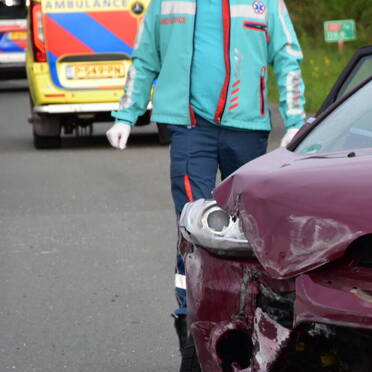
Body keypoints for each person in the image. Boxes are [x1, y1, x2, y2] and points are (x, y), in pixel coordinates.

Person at [106, 0, 306, 349]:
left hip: (245, 127)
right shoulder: (166, 3)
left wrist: (296, 122)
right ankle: (190, 319)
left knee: (248, 227)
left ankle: (252, 317)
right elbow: (145, 57)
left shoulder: (266, 3)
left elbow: (287, 56)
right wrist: (126, 114)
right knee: (193, 223)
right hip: (189, 127)